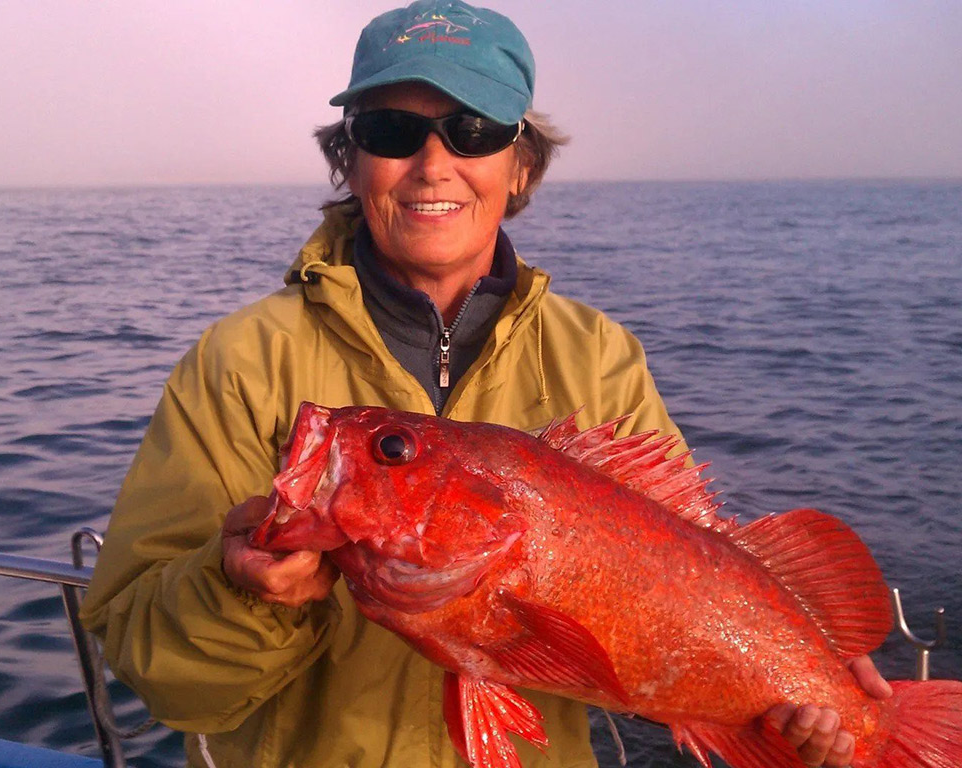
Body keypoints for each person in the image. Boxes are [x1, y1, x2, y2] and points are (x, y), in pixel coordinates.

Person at [79, 2, 892, 766]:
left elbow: (690, 556)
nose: (434, 164)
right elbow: (157, 675)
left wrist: (803, 653)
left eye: (473, 130)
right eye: (393, 129)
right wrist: (237, 592)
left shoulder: (597, 353)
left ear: (519, 164)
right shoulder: (239, 359)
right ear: (350, 159)